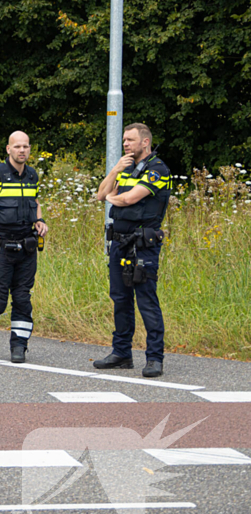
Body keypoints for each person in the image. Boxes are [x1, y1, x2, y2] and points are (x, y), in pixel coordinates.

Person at [94, 123, 171, 377]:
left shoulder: (157, 169)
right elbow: (100, 194)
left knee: (147, 301)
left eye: (130, 140)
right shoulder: (125, 168)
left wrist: (111, 197)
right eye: (124, 140)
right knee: (120, 299)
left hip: (142, 246)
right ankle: (121, 354)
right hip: (118, 243)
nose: (125, 144)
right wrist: (115, 170)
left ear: (145, 142)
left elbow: (128, 198)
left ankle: (154, 358)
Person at [0, 131, 49, 363]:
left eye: (25, 146)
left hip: (27, 247)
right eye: (17, 147)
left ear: (29, 149)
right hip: (1, 247)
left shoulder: (32, 174)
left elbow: (34, 202)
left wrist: (39, 220)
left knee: (23, 299)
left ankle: (19, 347)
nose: (22, 150)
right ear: (8, 149)